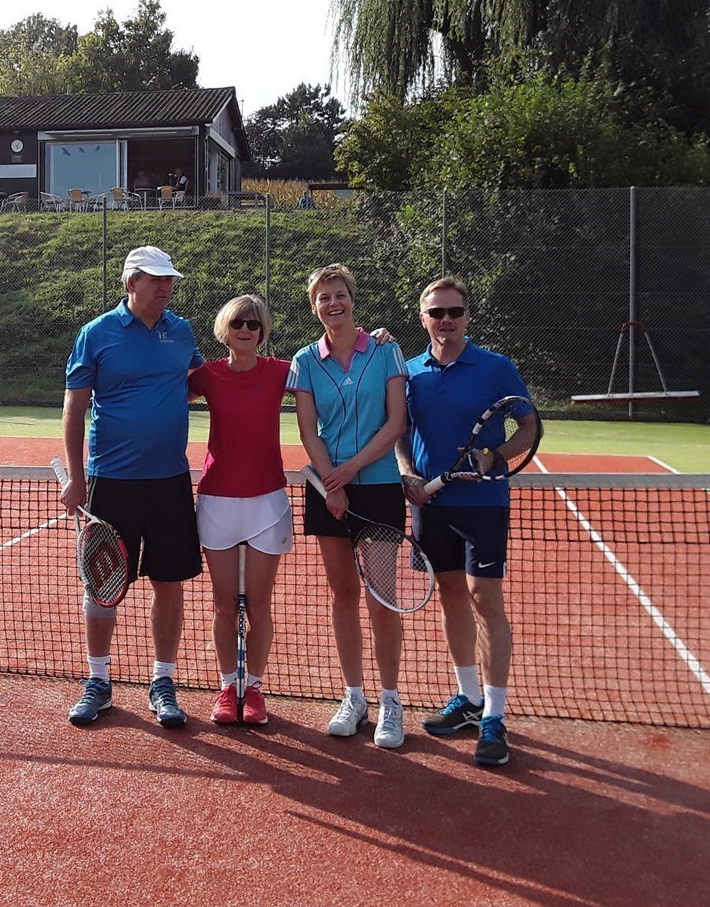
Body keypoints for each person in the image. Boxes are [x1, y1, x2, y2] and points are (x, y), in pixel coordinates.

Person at [396, 275, 539, 768]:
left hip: (483, 504)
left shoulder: (496, 368)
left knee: (486, 601)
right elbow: (401, 431)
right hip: (430, 505)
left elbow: (528, 425)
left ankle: (495, 717)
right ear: (423, 319)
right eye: (437, 313)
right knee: (451, 597)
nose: (446, 320)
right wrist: (406, 471)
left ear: (467, 317)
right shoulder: (409, 372)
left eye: (454, 312)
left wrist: (496, 455)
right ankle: (469, 699)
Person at [62, 244, 205, 728]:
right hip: (111, 480)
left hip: (170, 481)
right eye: (155, 279)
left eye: (169, 280)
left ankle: (163, 681)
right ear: (131, 283)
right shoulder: (96, 333)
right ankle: (98, 680)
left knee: (169, 583)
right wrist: (76, 477)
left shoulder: (181, 330)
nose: (165, 287)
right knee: (103, 586)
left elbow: (201, 380)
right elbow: (74, 407)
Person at [288, 263, 410, 748]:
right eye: (324, 297)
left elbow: (396, 423)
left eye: (339, 295)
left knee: (382, 597)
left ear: (352, 300)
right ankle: (354, 696)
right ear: (314, 306)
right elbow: (307, 431)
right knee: (343, 594)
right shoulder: (304, 360)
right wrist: (331, 484)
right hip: (328, 490)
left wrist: (351, 470)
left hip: (378, 487)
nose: (333, 303)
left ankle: (390, 701)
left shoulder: (385, 350)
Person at [187, 293, 293, 726]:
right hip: (218, 503)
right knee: (224, 605)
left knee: (261, 606)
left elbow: (335, 366)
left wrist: (372, 340)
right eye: (237, 323)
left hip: (268, 503)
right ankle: (228, 686)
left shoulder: (283, 371)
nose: (245, 330)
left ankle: (255, 691)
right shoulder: (207, 375)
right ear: (225, 330)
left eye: (253, 324)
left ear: (263, 330)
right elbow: (159, 390)